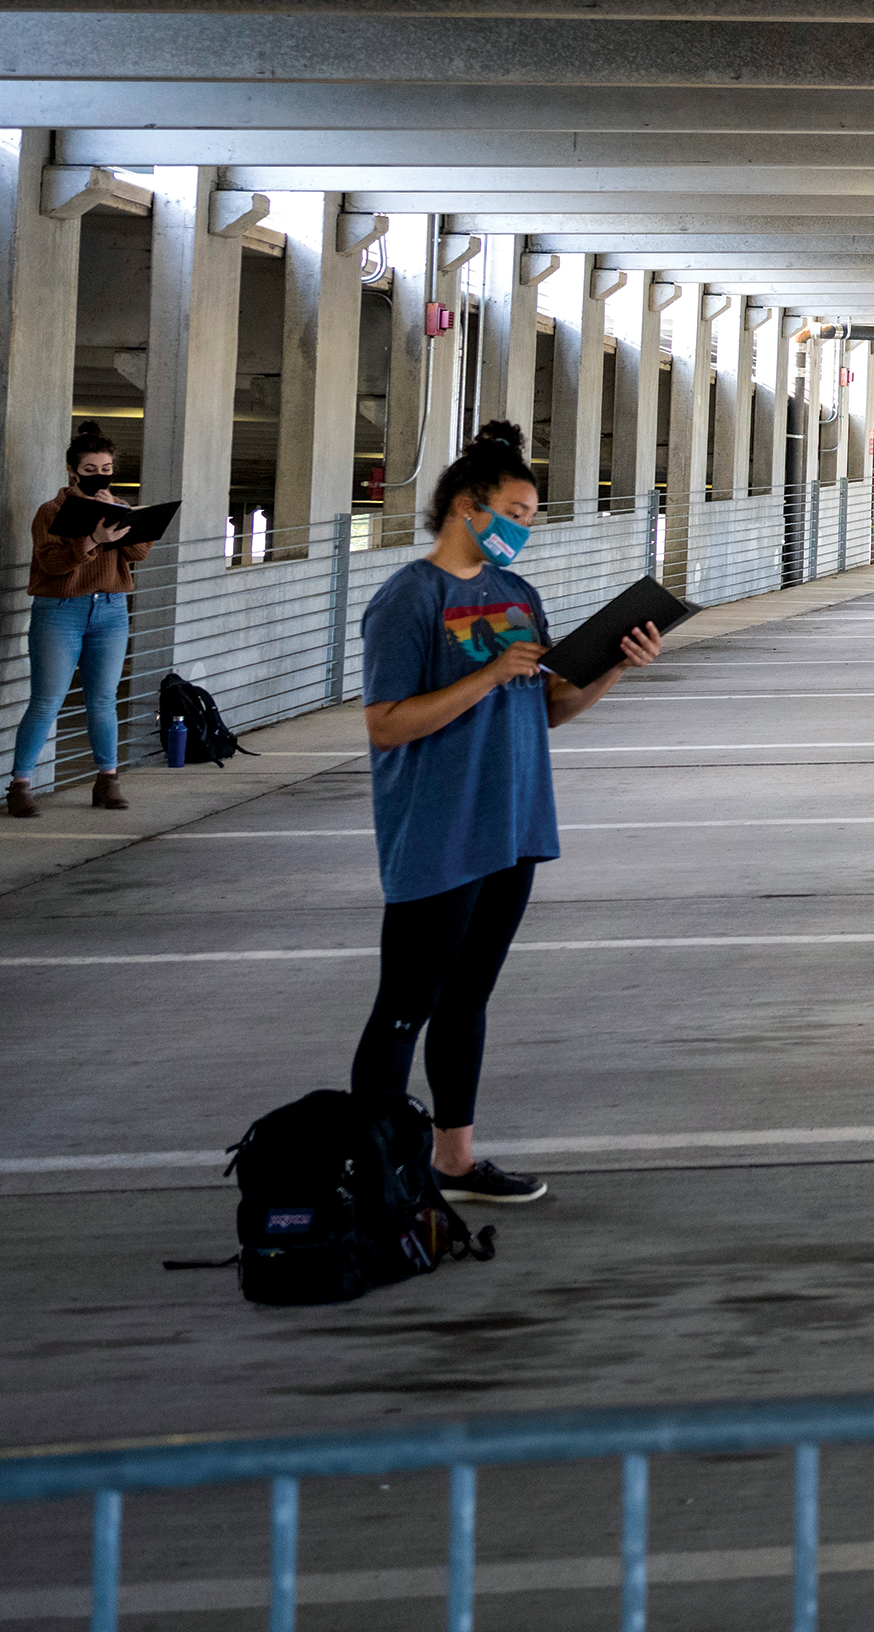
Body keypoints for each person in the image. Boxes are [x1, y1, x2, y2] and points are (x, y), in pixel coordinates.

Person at [353, 421, 661, 1206]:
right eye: (515, 512)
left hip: (514, 822)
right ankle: (378, 1174)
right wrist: (487, 676)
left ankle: (454, 1163)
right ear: (466, 505)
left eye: (531, 517)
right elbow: (386, 723)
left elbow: (550, 708)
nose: (524, 527)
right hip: (438, 828)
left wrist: (615, 667)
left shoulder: (516, 595)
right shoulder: (410, 597)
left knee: (468, 999)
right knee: (405, 1007)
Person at [10, 425, 143, 815]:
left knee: (102, 699)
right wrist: (93, 540)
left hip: (111, 609)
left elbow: (139, 552)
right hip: (60, 611)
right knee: (46, 700)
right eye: (90, 467)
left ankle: (107, 780)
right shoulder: (51, 512)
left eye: (106, 467)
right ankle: (19, 785)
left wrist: (118, 517)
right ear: (72, 470)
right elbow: (51, 564)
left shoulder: (118, 505)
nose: (100, 474)